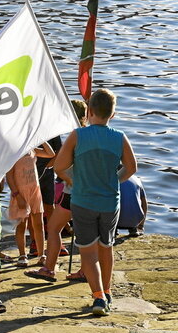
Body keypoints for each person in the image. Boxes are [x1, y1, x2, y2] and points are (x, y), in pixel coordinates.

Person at [54, 89, 137, 316]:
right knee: (106, 247)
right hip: (110, 201)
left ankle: (98, 296)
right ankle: (107, 290)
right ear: (113, 114)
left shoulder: (77, 136)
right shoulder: (120, 137)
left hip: (83, 201)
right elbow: (131, 168)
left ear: (88, 111)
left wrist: (75, 179)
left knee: (88, 252)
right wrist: (114, 180)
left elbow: (59, 167)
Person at [26, 99, 88, 282]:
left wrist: (68, 179)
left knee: (53, 227)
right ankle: (85, 270)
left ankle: (49, 269)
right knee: (86, 232)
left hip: (73, 191)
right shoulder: (95, 135)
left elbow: (60, 165)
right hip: (93, 192)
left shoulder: (73, 137)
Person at [6, 143, 55, 268]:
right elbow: (9, 176)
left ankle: (41, 254)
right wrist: (17, 195)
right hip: (20, 193)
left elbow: (51, 153)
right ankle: (22, 255)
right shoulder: (14, 152)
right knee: (22, 224)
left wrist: (42, 139)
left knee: (39, 224)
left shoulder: (32, 149)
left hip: (34, 190)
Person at [32, 134, 63, 256]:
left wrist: (51, 164)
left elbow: (59, 149)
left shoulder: (51, 127)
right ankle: (34, 242)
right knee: (32, 210)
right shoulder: (29, 125)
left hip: (47, 172)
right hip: (29, 171)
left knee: (50, 206)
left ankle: (55, 240)